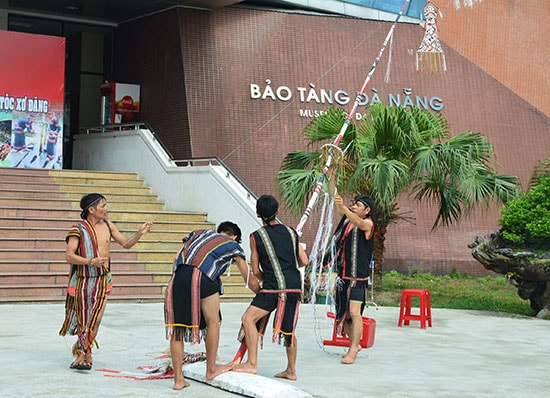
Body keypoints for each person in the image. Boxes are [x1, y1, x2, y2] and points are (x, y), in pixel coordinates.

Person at [60, 193, 154, 371]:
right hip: (83, 279)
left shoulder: (109, 225)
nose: (106, 209)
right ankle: (83, 353)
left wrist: (140, 233)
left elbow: (126, 244)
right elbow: (69, 256)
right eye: (103, 206)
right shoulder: (78, 229)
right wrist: (89, 261)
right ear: (91, 209)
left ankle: (84, 349)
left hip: (103, 278)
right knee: (84, 318)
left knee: (96, 318)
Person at [164, 221, 260, 390]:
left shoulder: (199, 233)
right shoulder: (233, 246)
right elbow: (248, 279)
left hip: (178, 277)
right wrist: (262, 293)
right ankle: (212, 369)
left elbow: (175, 257)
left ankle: (178, 380)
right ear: (235, 237)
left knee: (177, 329)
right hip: (203, 277)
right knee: (213, 322)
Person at [233, 194, 309, 380]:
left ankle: (251, 364)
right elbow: (304, 261)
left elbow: (256, 270)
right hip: (294, 287)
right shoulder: (292, 232)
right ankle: (291, 371)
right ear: (277, 211)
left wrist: (268, 276)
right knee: (289, 330)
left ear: (258, 213)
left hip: (273, 287)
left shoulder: (256, 236)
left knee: (248, 319)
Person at [325, 192, 375, 364]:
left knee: (354, 313)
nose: (354, 206)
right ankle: (355, 343)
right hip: (343, 275)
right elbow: (337, 201)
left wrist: (345, 208)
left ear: (367, 210)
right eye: (353, 204)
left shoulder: (367, 223)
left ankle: (353, 349)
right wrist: (332, 178)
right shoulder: (347, 221)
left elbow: (359, 223)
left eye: (358, 205)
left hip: (357, 278)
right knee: (343, 316)